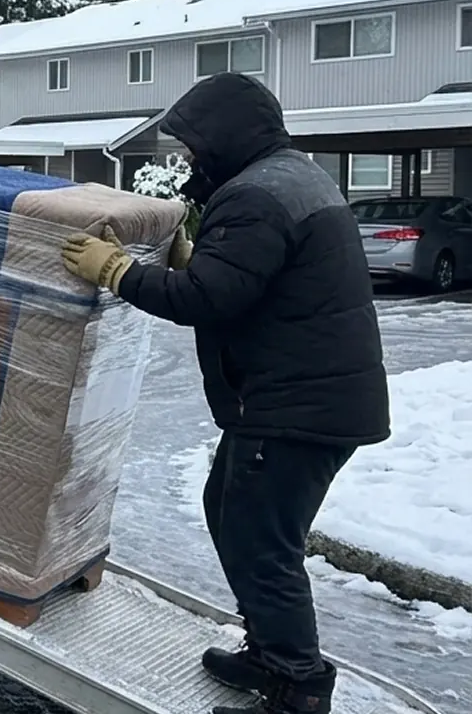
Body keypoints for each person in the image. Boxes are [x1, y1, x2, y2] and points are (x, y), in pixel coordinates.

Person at [59, 72, 389, 714]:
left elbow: (210, 298)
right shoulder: (286, 178)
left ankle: (297, 685)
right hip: (302, 398)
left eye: (193, 148)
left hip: (298, 406)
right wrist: (192, 261)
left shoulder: (257, 197)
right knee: (232, 514)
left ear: (226, 139)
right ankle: (271, 652)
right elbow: (246, 282)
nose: (187, 161)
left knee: (262, 542)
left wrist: (118, 271)